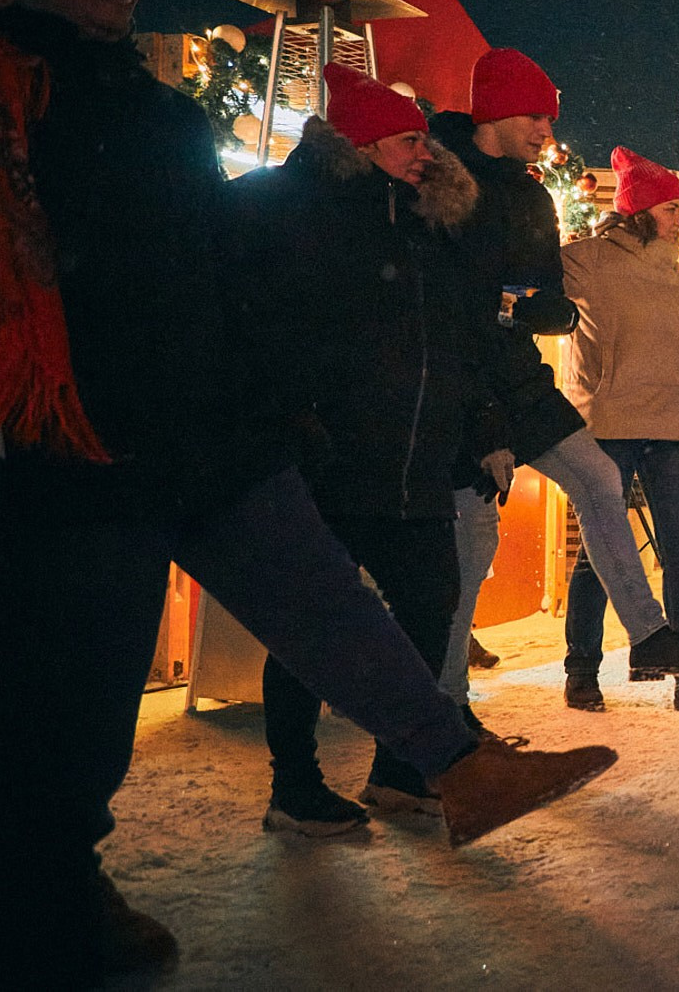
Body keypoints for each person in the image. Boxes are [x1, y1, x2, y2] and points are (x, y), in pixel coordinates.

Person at [0, 0, 610, 982]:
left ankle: (454, 766)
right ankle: (62, 875)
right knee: (91, 674)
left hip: (215, 423)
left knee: (331, 605)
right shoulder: (27, 100)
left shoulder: (154, 111)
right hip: (85, 437)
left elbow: (244, 281)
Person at [230, 64, 504, 829]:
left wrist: (482, 422)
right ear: (363, 142)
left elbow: (456, 338)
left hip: (417, 464)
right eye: (408, 138)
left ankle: (397, 771)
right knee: (313, 628)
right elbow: (272, 327)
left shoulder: (424, 223)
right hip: (329, 460)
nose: (424, 151)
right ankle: (294, 784)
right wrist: (296, 418)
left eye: (423, 137)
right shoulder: (307, 213)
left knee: (430, 610)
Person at [430, 48, 679, 720]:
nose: (546, 130)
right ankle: (450, 705)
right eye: (535, 116)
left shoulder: (533, 196)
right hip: (468, 389)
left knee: (602, 487)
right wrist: (512, 324)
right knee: (473, 544)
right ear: (496, 111)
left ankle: (651, 638)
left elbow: (543, 291)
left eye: (549, 118)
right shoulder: (443, 184)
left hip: (526, 383)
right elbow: (454, 310)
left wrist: (549, 312)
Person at [560, 147, 679, 720]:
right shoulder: (585, 259)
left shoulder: (674, 270)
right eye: (670, 209)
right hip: (610, 423)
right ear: (639, 210)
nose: (678, 219)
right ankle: (581, 668)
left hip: (672, 424)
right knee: (600, 553)